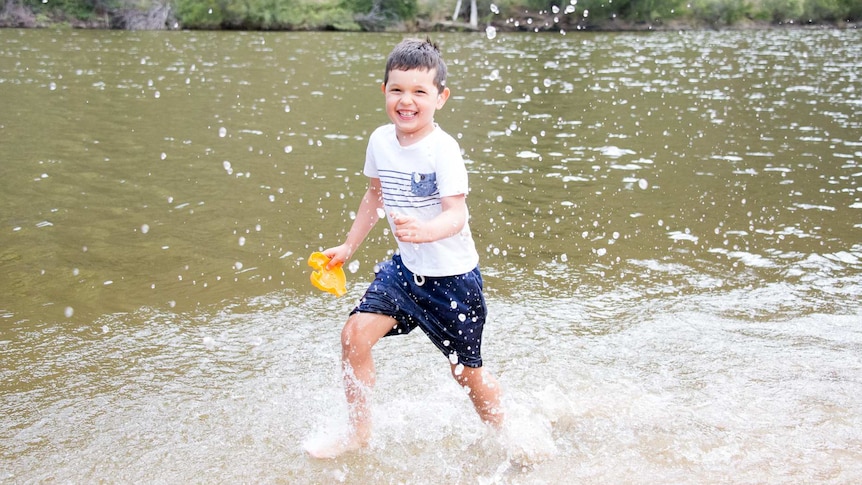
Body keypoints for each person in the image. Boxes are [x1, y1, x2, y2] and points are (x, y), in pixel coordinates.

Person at [305, 37, 504, 459]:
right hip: (405, 271)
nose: (406, 101)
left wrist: (428, 231)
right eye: (397, 90)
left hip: (453, 282)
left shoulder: (443, 150)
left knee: (467, 375)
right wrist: (349, 245)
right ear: (384, 92)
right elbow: (374, 196)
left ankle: (508, 433)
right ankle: (358, 432)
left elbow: (457, 215)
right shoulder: (380, 140)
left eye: (419, 92)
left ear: (440, 97)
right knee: (353, 335)